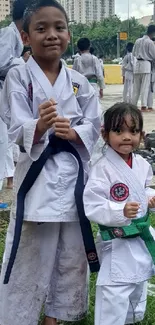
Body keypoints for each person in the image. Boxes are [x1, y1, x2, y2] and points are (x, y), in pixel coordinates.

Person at [0, 1, 101, 325]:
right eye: (41, 28)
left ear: (69, 35)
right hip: (38, 177)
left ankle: (57, 314)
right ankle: (18, 315)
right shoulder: (18, 75)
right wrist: (39, 126)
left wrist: (75, 132)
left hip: (72, 175)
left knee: (71, 252)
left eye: (59, 27)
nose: (52, 35)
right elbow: (14, 127)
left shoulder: (78, 81)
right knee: (31, 251)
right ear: (26, 37)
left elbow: (93, 123)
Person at [83, 102, 155, 325]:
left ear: (141, 135)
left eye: (133, 131)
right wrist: (119, 210)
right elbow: (92, 203)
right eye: (119, 131)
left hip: (140, 238)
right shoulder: (102, 168)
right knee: (115, 289)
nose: (126, 137)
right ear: (105, 135)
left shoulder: (142, 164)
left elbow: (145, 187)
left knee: (138, 282)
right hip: (117, 240)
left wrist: (150, 198)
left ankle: (130, 319)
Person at [0, 0, 28, 192]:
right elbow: (2, 62)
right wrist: (22, 62)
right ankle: (6, 180)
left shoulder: (17, 35)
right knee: (3, 138)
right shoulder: (10, 34)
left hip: (5, 87)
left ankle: (8, 178)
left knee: (7, 136)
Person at [132, 25, 155, 111]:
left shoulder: (137, 41)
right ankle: (143, 105)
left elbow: (133, 53)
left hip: (137, 64)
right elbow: (153, 55)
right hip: (146, 64)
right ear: (153, 33)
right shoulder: (149, 42)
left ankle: (133, 105)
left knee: (136, 87)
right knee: (145, 86)